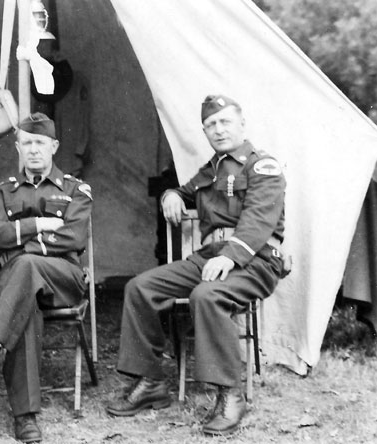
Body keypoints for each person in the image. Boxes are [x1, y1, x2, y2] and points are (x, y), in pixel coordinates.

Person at [105, 95, 286, 436]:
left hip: (256, 262)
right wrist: (170, 195)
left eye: (224, 122)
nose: (218, 130)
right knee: (141, 287)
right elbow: (184, 191)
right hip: (210, 258)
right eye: (210, 125)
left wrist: (229, 257)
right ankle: (150, 382)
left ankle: (230, 394)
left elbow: (259, 221)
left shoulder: (262, 166)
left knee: (207, 296)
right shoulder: (211, 170)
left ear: (241, 123)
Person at [0, 113, 93, 443]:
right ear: (18, 147)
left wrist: (21, 242)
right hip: (22, 287)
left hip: (65, 278)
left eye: (40, 143)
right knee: (25, 305)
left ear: (54, 146)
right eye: (27, 143)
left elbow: (74, 238)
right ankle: (25, 417)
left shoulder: (76, 189)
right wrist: (39, 226)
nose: (33, 150)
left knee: (25, 265)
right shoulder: (3, 192)